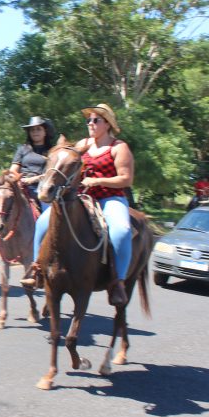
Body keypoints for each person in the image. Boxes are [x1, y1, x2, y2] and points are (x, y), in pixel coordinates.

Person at [23, 103, 134, 307]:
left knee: (121, 231)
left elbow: (126, 179)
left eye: (95, 120)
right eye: (88, 120)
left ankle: (118, 281)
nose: (90, 123)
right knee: (43, 222)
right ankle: (37, 268)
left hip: (110, 198)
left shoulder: (119, 147)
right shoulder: (83, 144)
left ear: (107, 124)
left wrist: (98, 181)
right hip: (82, 197)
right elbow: (66, 165)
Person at [9, 115, 57, 211]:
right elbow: (12, 170)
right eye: (32, 130)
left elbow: (53, 173)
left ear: (45, 132)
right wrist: (20, 180)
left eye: (38, 129)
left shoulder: (52, 151)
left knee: (48, 213)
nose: (35, 132)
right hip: (22, 185)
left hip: (42, 188)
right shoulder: (22, 149)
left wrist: (34, 179)